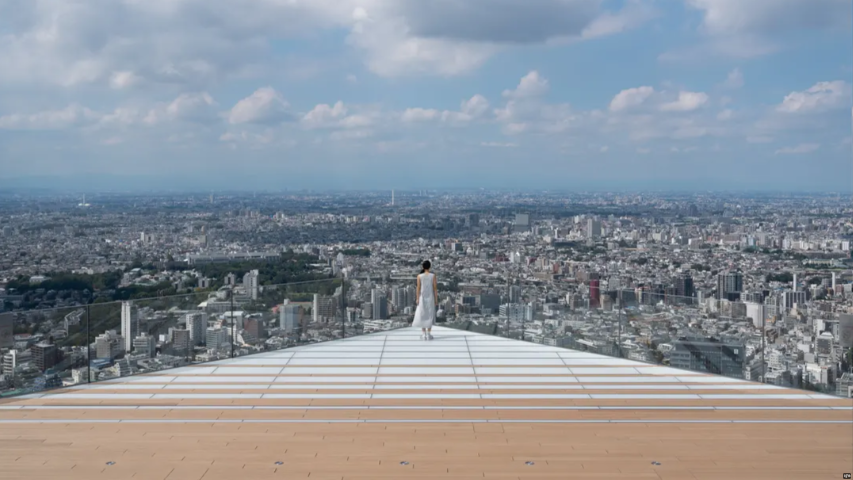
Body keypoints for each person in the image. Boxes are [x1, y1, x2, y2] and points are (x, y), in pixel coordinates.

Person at [412, 260, 437, 340]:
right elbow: (435, 288)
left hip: (422, 297)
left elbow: (418, 288)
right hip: (430, 297)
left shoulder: (419, 276)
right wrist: (436, 299)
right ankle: (429, 334)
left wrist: (417, 298)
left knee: (422, 314)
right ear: (429, 267)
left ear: (423, 267)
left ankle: (423, 334)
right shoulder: (433, 276)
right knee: (430, 315)